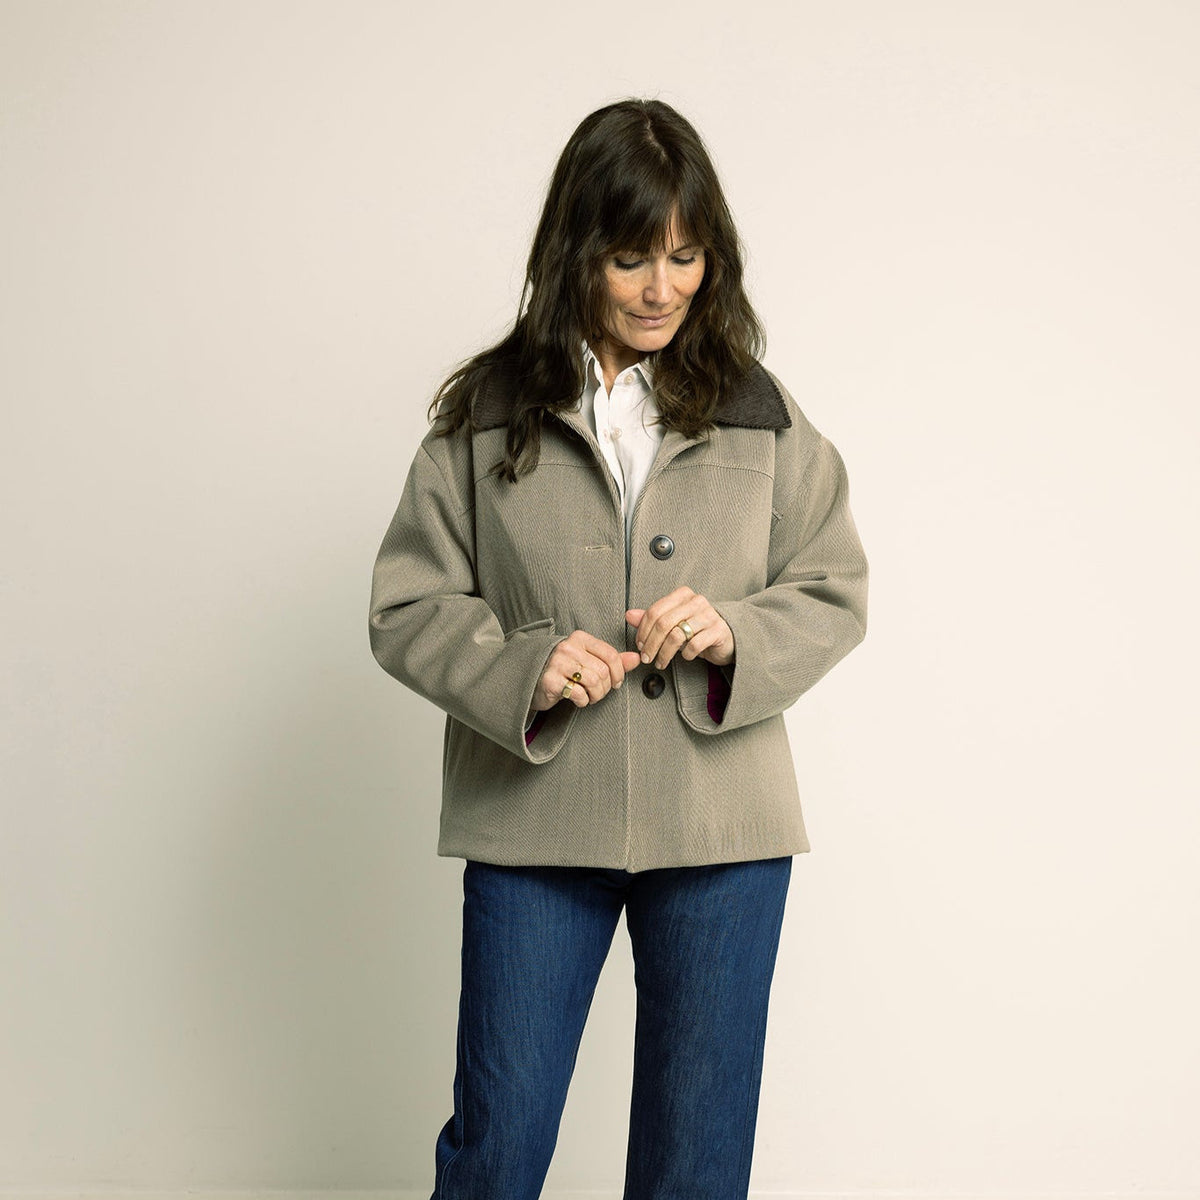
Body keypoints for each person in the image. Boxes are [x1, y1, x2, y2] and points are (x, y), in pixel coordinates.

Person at [369, 98, 868, 1200]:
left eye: (685, 256)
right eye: (632, 257)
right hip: (534, 818)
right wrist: (522, 665)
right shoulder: (485, 415)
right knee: (496, 1151)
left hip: (721, 831)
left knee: (695, 1168)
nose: (661, 288)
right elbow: (407, 606)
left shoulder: (759, 410)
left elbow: (834, 587)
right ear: (574, 252)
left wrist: (737, 629)